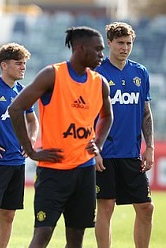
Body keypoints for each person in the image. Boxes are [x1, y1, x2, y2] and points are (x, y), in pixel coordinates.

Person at [8, 26, 113, 248]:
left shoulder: (99, 83)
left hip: (85, 171)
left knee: (76, 240)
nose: (102, 55)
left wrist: (98, 144)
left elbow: (107, 116)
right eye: (98, 50)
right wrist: (31, 150)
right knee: (42, 235)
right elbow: (16, 108)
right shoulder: (52, 75)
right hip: (53, 173)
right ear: (80, 48)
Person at [94, 22, 154, 248]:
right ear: (109, 43)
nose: (125, 47)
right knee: (106, 206)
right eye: (120, 43)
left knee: (146, 207)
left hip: (131, 153)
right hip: (105, 152)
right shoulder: (97, 73)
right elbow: (87, 116)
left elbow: (145, 113)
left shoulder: (140, 72)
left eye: (129, 43)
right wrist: (94, 150)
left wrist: (150, 147)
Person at [0, 43, 38, 248]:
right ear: (4, 65)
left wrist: (30, 140)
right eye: (18, 63)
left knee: (9, 214)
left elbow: (33, 122)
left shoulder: (24, 92)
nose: (23, 67)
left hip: (17, 161)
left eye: (24, 63)